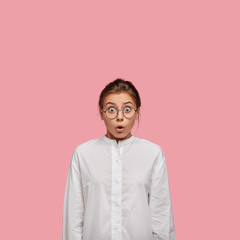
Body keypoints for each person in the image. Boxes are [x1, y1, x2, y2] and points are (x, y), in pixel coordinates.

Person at [62, 78, 176, 240]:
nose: (120, 117)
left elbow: (161, 214)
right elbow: (74, 215)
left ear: (137, 113)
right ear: (101, 113)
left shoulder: (153, 153)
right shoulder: (83, 154)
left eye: (127, 109)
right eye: (111, 110)